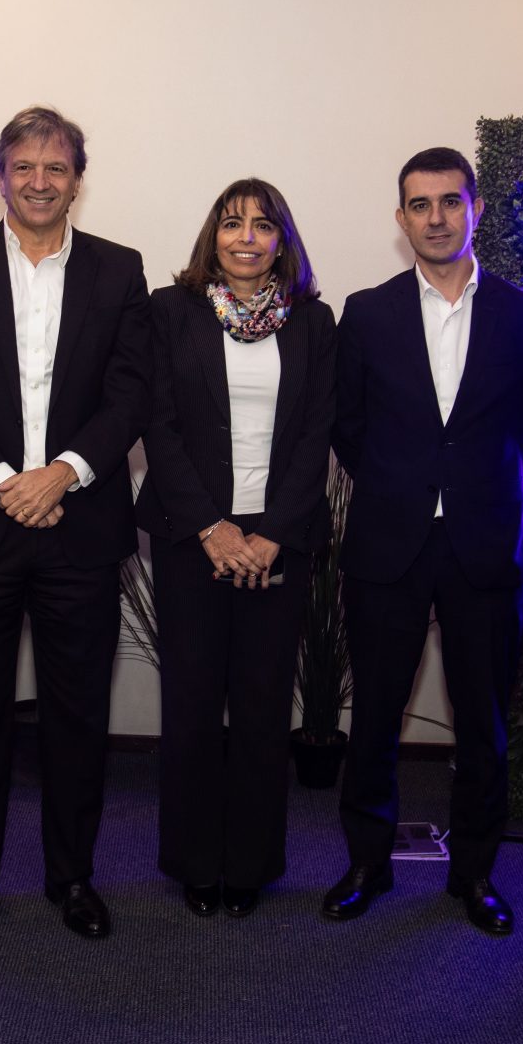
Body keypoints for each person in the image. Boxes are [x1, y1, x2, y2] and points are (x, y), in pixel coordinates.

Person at [0, 106, 150, 945]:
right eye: (23, 167)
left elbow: (131, 394)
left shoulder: (120, 270)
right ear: (1, 177)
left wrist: (63, 473)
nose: (39, 182)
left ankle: (72, 877)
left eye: (56, 168)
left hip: (80, 526)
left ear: (77, 180)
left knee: (76, 715)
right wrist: (4, 482)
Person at [324, 148, 523, 934]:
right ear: (401, 219)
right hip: (388, 543)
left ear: (475, 209)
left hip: (485, 543)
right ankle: (367, 863)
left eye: (450, 202)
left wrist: (489, 490)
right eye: (419, 205)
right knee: (375, 716)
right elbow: (348, 425)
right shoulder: (367, 312)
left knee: (483, 723)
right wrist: (401, 485)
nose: (435, 218)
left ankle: (476, 873)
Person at [135, 178, 335, 919]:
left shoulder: (313, 322)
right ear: (211, 237)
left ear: (282, 241)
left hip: (279, 541)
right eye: (231, 223)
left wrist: (272, 532)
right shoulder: (170, 311)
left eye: (262, 225)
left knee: (261, 707)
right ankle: (194, 862)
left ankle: (249, 865)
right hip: (193, 538)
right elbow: (157, 425)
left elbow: (317, 433)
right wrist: (211, 528)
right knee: (190, 705)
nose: (246, 237)